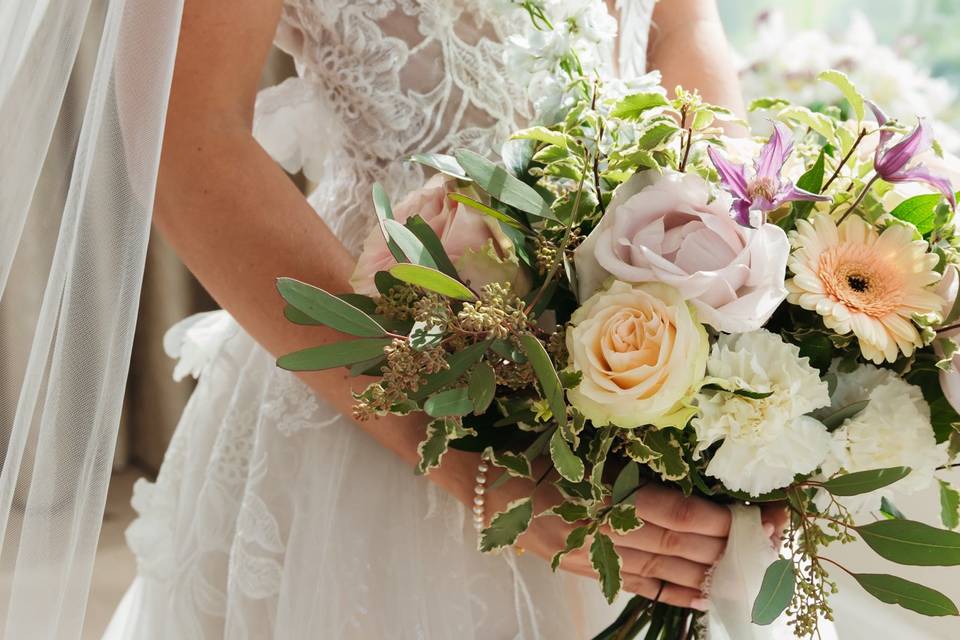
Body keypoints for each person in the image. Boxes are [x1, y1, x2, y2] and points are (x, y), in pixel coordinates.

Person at [105, 1, 783, 637]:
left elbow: (684, 30)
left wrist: (731, 305)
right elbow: (178, 123)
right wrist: (474, 469)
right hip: (389, 359)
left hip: (652, 347)